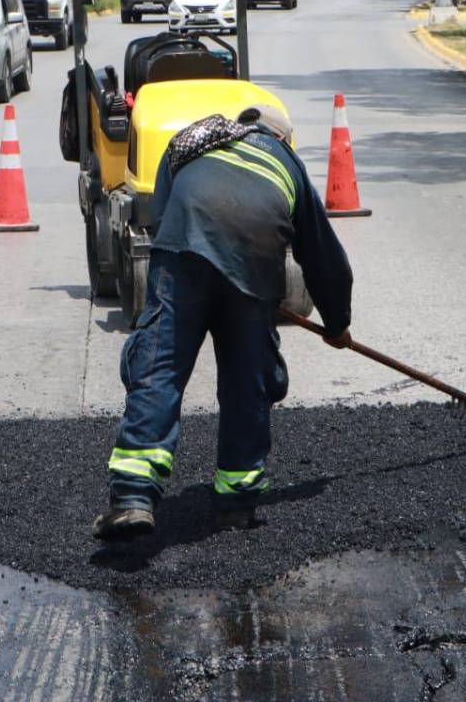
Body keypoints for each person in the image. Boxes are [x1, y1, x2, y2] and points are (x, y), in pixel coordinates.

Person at [93, 105, 353, 541]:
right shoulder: (287, 162)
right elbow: (324, 256)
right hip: (252, 264)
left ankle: (133, 498)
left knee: (159, 366)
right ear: (282, 137)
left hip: (183, 251)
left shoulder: (198, 139)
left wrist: (187, 261)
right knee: (246, 379)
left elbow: (162, 210)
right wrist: (337, 322)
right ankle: (236, 503)